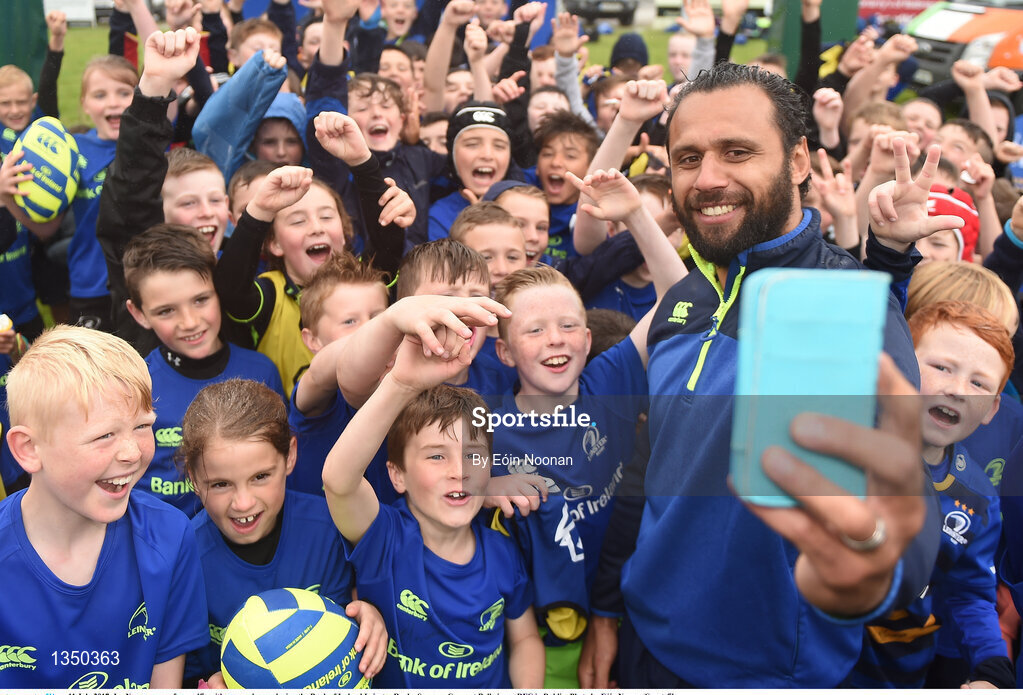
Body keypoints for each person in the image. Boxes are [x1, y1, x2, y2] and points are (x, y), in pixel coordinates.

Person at [580, 62, 945, 688]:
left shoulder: (841, 307)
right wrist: (609, 610)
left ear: (799, 159)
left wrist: (875, 565)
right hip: (645, 648)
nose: (709, 179)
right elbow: (649, 464)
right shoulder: (685, 298)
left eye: (738, 152)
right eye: (688, 158)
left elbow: (901, 497)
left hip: (762, 670)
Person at [321, 336, 546, 687]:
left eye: (474, 455)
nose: (460, 470)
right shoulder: (383, 538)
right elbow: (338, 480)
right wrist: (400, 383)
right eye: (437, 455)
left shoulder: (502, 549)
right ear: (397, 475)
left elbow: (525, 640)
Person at [0, 326, 207, 688]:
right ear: (29, 449)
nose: (132, 453)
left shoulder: (170, 537)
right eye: (104, 435)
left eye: (143, 426)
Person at [847, 301, 1014, 688]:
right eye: (941, 368)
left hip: (895, 674)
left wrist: (991, 665)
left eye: (978, 383)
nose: (957, 390)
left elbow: (971, 593)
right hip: (804, 663)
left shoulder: (978, 499)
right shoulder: (847, 446)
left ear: (990, 410)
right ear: (900, 365)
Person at [179, 378, 387, 685]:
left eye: (261, 476)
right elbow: (181, 671)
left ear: (289, 455)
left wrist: (372, 618)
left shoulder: (331, 528)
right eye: (221, 484)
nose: (243, 502)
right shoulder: (184, 559)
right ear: (194, 478)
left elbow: (363, 604)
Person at [122, 225, 285, 514]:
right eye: (166, 311)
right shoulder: (135, 387)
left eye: (200, 300)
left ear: (219, 290)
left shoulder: (262, 372)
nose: (190, 321)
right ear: (139, 313)